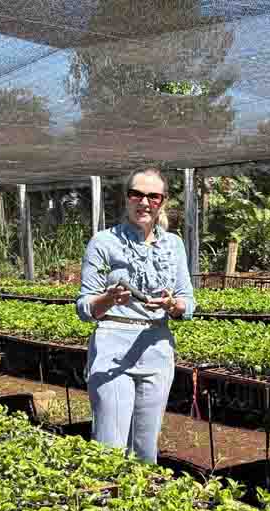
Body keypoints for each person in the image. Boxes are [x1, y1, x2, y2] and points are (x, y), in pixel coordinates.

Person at [76, 167, 195, 464]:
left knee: (145, 448)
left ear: (162, 201)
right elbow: (84, 308)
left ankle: (139, 508)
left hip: (157, 346)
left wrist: (172, 305)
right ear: (126, 199)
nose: (144, 202)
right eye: (137, 194)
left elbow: (188, 302)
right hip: (113, 345)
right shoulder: (104, 242)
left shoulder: (174, 244)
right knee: (110, 446)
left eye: (153, 196)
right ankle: (105, 505)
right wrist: (109, 297)